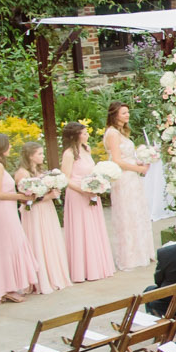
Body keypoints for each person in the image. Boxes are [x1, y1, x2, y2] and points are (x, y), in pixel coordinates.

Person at [0, 133, 33, 305]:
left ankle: (12, 285)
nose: (10, 147)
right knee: (8, 247)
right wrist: (21, 196)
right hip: (2, 210)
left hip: (6, 209)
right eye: (7, 144)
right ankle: (6, 289)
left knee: (13, 244)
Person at [99, 102, 155, 271]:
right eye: (124, 113)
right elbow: (116, 160)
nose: (127, 115)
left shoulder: (121, 132)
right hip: (123, 178)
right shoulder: (112, 134)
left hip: (132, 177)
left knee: (137, 212)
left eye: (127, 112)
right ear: (115, 115)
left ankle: (142, 251)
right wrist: (139, 168)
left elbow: (126, 156)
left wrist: (141, 161)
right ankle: (130, 256)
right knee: (127, 214)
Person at [58, 121, 116, 282]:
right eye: (84, 133)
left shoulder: (86, 149)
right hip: (77, 195)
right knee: (81, 229)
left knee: (93, 228)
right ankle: (81, 269)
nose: (87, 135)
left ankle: (97, 265)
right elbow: (65, 179)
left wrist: (98, 184)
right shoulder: (69, 154)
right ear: (75, 136)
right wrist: (83, 189)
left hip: (91, 192)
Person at [13, 140, 69, 295]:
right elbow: (26, 200)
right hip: (34, 213)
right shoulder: (22, 174)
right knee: (38, 240)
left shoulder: (40, 171)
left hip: (47, 209)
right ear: (31, 156)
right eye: (39, 153)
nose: (42, 156)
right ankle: (41, 278)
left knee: (50, 239)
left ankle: (54, 274)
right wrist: (48, 196)